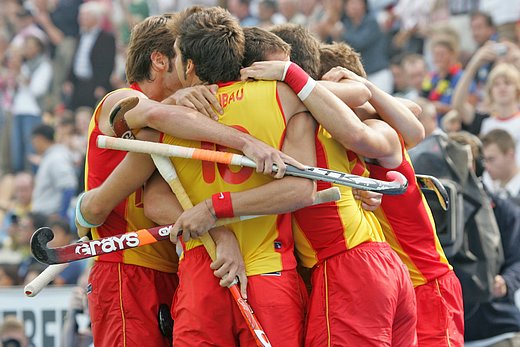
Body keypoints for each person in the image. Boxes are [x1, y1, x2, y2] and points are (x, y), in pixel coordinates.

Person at [75, 11, 299, 347]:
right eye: (182, 56)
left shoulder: (183, 117)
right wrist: (245, 143)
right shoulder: (120, 99)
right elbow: (153, 114)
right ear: (161, 60)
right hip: (126, 266)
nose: (190, 67)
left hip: (171, 265)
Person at [452, 53, 520, 162]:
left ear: (517, 89)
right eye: (496, 84)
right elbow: (458, 105)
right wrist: (474, 64)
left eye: (507, 83)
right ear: (490, 92)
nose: (502, 88)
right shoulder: (484, 121)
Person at [30, 124, 77, 219]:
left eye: (34, 140)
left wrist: (62, 216)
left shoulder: (56, 157)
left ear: (40, 139)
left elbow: (69, 187)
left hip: (51, 216)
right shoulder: (50, 156)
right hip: (45, 215)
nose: (33, 144)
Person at [481, 129, 520, 201]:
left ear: (510, 155)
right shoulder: (485, 183)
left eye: (491, 159)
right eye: (485, 160)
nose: (486, 165)